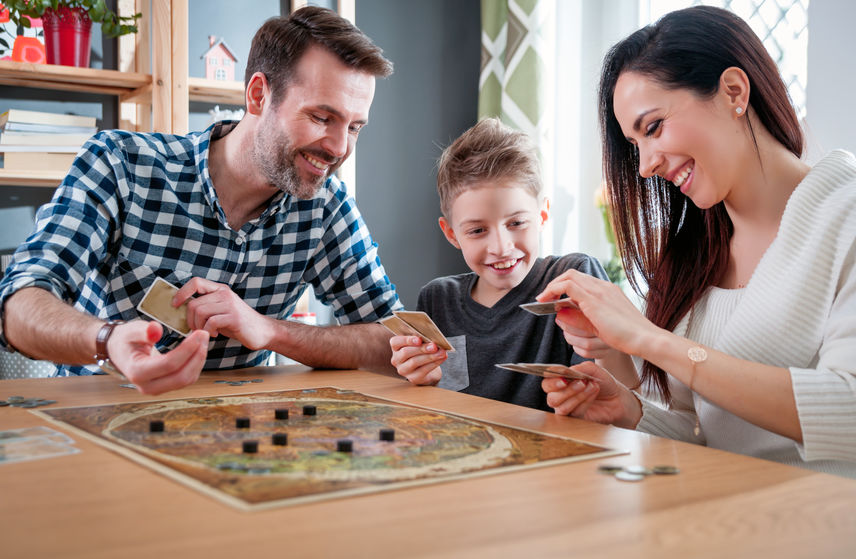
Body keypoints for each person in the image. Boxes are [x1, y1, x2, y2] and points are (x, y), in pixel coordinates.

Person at [0, 6, 402, 395]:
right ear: (259, 95)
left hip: (238, 439)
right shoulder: (121, 163)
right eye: (320, 117)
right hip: (99, 420)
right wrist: (108, 339)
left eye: (354, 127)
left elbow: (396, 341)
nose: (338, 148)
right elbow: (18, 307)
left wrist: (270, 330)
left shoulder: (325, 204)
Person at [537, 6, 856, 478]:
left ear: (733, 91)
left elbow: (847, 410)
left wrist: (650, 340)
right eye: (634, 145)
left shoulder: (844, 212)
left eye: (653, 127)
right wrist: (629, 411)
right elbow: (700, 433)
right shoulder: (693, 252)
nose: (644, 165)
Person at [389, 117, 635, 412]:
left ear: (542, 215)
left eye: (517, 223)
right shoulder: (437, 298)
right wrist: (421, 379)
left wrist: (608, 355)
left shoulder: (575, 279)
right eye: (478, 231)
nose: (502, 247)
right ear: (452, 234)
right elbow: (438, 400)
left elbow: (619, 397)